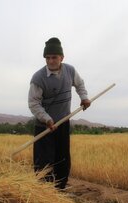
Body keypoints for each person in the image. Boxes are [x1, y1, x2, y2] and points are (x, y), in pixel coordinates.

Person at [28, 37, 91, 189]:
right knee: (44, 162)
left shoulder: (70, 71)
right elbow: (33, 103)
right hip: (44, 126)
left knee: (62, 159)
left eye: (54, 57)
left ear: (62, 57)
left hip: (62, 123)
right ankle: (45, 193)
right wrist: (47, 119)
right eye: (47, 58)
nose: (50, 61)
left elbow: (80, 84)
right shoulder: (38, 78)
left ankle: (60, 189)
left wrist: (84, 98)